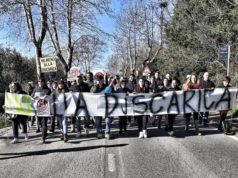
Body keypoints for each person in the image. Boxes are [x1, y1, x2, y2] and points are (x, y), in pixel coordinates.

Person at [31, 77, 51, 143]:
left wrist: (46, 97)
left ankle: (43, 137)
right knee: (39, 123)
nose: (40, 83)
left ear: (44, 82)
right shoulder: (35, 89)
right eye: (39, 81)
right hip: (38, 108)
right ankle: (44, 132)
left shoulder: (47, 90)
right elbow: (32, 96)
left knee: (44, 123)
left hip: (45, 109)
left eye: (41, 81)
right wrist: (33, 96)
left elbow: (50, 97)